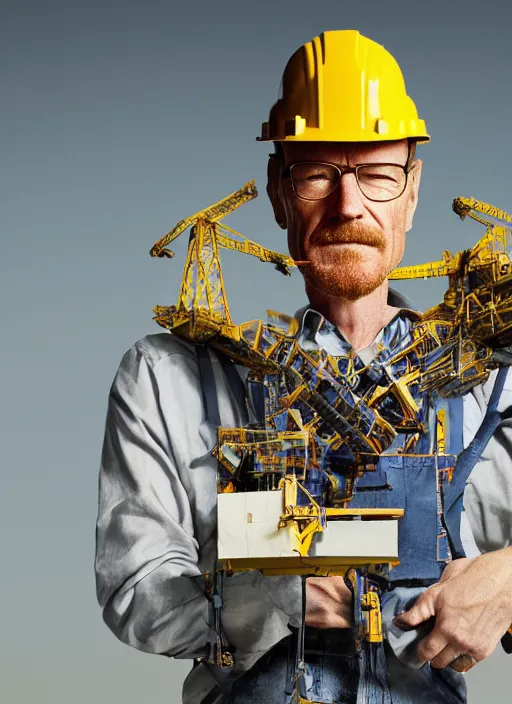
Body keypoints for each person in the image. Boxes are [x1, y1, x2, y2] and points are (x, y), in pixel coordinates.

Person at [95, 30, 512, 704]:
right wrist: (281, 596)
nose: (350, 207)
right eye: (319, 172)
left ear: (412, 190)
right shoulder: (167, 380)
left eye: (377, 173)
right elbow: (135, 588)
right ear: (278, 190)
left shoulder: (492, 383)